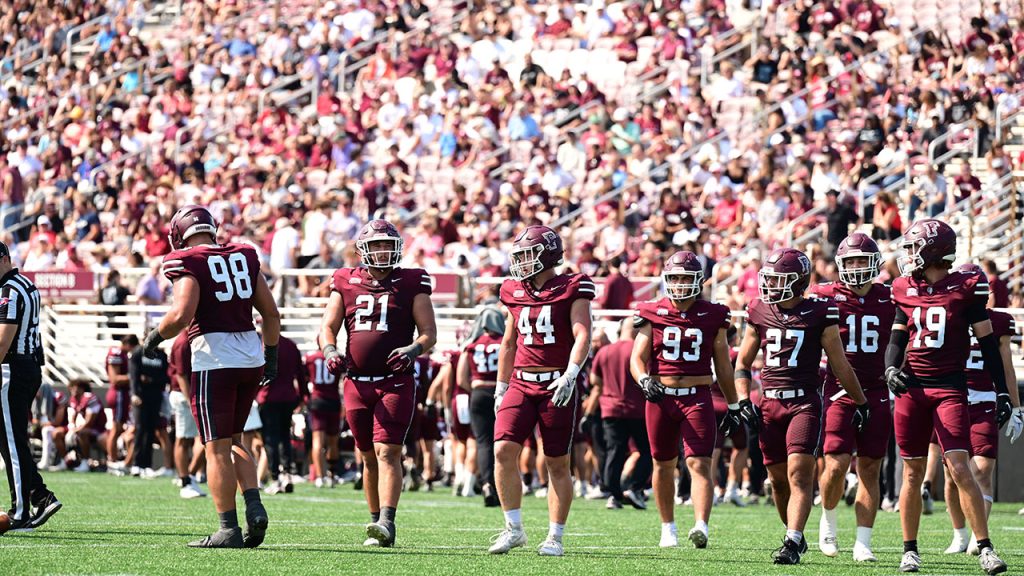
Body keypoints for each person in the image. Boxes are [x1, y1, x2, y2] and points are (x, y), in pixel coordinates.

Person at [143, 205, 280, 549]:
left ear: (178, 234)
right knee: (236, 440)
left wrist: (153, 337)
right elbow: (271, 313)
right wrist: (272, 356)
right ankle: (254, 504)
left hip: (214, 355)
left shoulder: (186, 259)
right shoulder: (244, 254)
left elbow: (183, 312)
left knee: (215, 447)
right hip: (250, 354)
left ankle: (228, 528)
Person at [885, 219, 1009, 574]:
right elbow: (896, 339)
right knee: (911, 472)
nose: (908, 255)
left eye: (914, 247)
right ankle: (910, 549)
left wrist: (1002, 391)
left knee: (958, 466)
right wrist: (891, 369)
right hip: (912, 388)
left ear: (933, 251)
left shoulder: (967, 287)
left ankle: (984, 546)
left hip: (949, 387)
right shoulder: (903, 287)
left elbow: (987, 345)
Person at [735, 248, 869, 565]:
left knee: (798, 474)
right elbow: (742, 363)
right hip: (768, 401)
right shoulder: (758, 310)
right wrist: (742, 399)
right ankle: (793, 534)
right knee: (778, 481)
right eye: (769, 279)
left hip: (803, 403)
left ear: (798, 282)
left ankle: (792, 541)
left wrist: (860, 400)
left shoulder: (821, 313)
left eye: (778, 279)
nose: (769, 286)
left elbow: (840, 364)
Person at [318, 218, 437, 548]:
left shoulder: (412, 281)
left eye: (388, 245)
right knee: (367, 455)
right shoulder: (344, 280)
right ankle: (375, 521)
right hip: (356, 382)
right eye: (377, 245)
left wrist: (413, 349)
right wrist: (329, 349)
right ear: (363, 250)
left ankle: (387, 521)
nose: (384, 252)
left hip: (394, 381)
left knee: (389, 451)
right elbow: (327, 326)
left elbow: (429, 333)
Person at [488, 225, 594, 557]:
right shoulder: (513, 290)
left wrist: (571, 374)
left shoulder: (571, 286)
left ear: (546, 255)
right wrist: (501, 386)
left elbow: (583, 334)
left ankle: (555, 536)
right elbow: (508, 342)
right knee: (503, 449)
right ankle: (513, 528)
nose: (519, 263)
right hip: (520, 381)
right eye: (517, 256)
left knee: (556, 462)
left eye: (525, 255)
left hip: (555, 384)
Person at [630, 251, 737, 549]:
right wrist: (644, 379)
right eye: (674, 278)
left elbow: (723, 364)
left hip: (697, 396)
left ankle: (701, 524)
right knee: (662, 464)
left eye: (685, 278)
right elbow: (637, 358)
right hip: (661, 398)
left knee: (700, 462)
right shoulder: (651, 311)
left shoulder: (714, 313)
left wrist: (734, 403)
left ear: (698, 281)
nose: (678, 284)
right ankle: (668, 527)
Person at [807, 233, 895, 562]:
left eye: (862, 260)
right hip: (839, 389)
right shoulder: (823, 296)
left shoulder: (890, 297)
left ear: (874, 263)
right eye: (852, 260)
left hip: (876, 388)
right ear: (841, 264)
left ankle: (863, 541)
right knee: (836, 463)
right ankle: (828, 524)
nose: (857, 267)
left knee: (870, 467)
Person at [943, 263, 1023, 555]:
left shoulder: (999, 321)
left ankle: (980, 536)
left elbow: (1006, 365)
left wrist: (1016, 406)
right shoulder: (949, 317)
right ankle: (959, 534)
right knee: (954, 475)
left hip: (985, 399)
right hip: (952, 399)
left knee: (983, 468)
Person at [0, 240, 61, 530]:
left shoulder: (9, 290)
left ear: (3, 259)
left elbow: (3, 340)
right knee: (9, 439)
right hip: (28, 366)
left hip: (11, 368)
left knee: (11, 442)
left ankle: (23, 511)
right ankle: (39, 494)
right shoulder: (26, 284)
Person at [593, 319, 650, 511]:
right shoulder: (638, 351)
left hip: (611, 408)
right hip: (637, 409)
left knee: (614, 452)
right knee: (647, 451)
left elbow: (595, 380)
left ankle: (613, 495)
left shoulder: (604, 351)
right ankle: (635, 487)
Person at [458, 308, 505, 506]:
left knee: (483, 443)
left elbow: (461, 378)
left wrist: (476, 389)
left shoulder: (472, 345)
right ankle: (501, 485)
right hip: (500, 393)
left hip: (478, 394)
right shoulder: (505, 342)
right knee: (503, 442)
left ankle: (487, 484)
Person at [257, 335, 305, 495]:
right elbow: (300, 374)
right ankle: (286, 474)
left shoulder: (263, 343)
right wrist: (303, 395)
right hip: (288, 396)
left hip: (268, 397)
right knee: (285, 437)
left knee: (270, 440)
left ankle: (276, 478)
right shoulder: (291, 345)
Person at [169, 331, 206, 499]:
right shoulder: (183, 342)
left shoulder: (193, 338)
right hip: (184, 395)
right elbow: (181, 375)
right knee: (183, 439)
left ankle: (189, 476)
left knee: (206, 439)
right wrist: (190, 399)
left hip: (195, 393)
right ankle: (184, 481)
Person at [130, 336, 170, 475]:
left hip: (155, 397)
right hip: (140, 398)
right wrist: (134, 393)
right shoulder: (138, 353)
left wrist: (151, 379)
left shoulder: (162, 356)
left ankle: (147, 464)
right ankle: (137, 463)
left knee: (151, 430)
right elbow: (134, 375)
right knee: (140, 429)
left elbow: (166, 377)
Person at [304, 348, 342, 488]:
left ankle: (320, 477)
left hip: (317, 401)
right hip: (333, 401)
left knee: (317, 442)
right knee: (333, 442)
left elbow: (304, 377)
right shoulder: (338, 356)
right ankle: (331, 474)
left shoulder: (310, 357)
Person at [106, 335, 136, 470]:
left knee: (118, 428)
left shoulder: (123, 354)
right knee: (116, 428)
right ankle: (111, 460)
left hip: (122, 394)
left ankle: (113, 459)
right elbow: (115, 379)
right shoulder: (117, 352)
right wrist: (135, 377)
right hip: (118, 394)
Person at [66, 379, 107, 472]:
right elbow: (73, 416)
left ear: (82, 388)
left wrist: (75, 431)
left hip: (98, 429)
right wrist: (72, 427)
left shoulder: (90, 398)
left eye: (75, 387)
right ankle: (65, 460)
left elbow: (89, 422)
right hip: (85, 428)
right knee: (60, 433)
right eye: (71, 387)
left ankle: (85, 462)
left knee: (82, 433)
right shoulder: (74, 399)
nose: (73, 390)